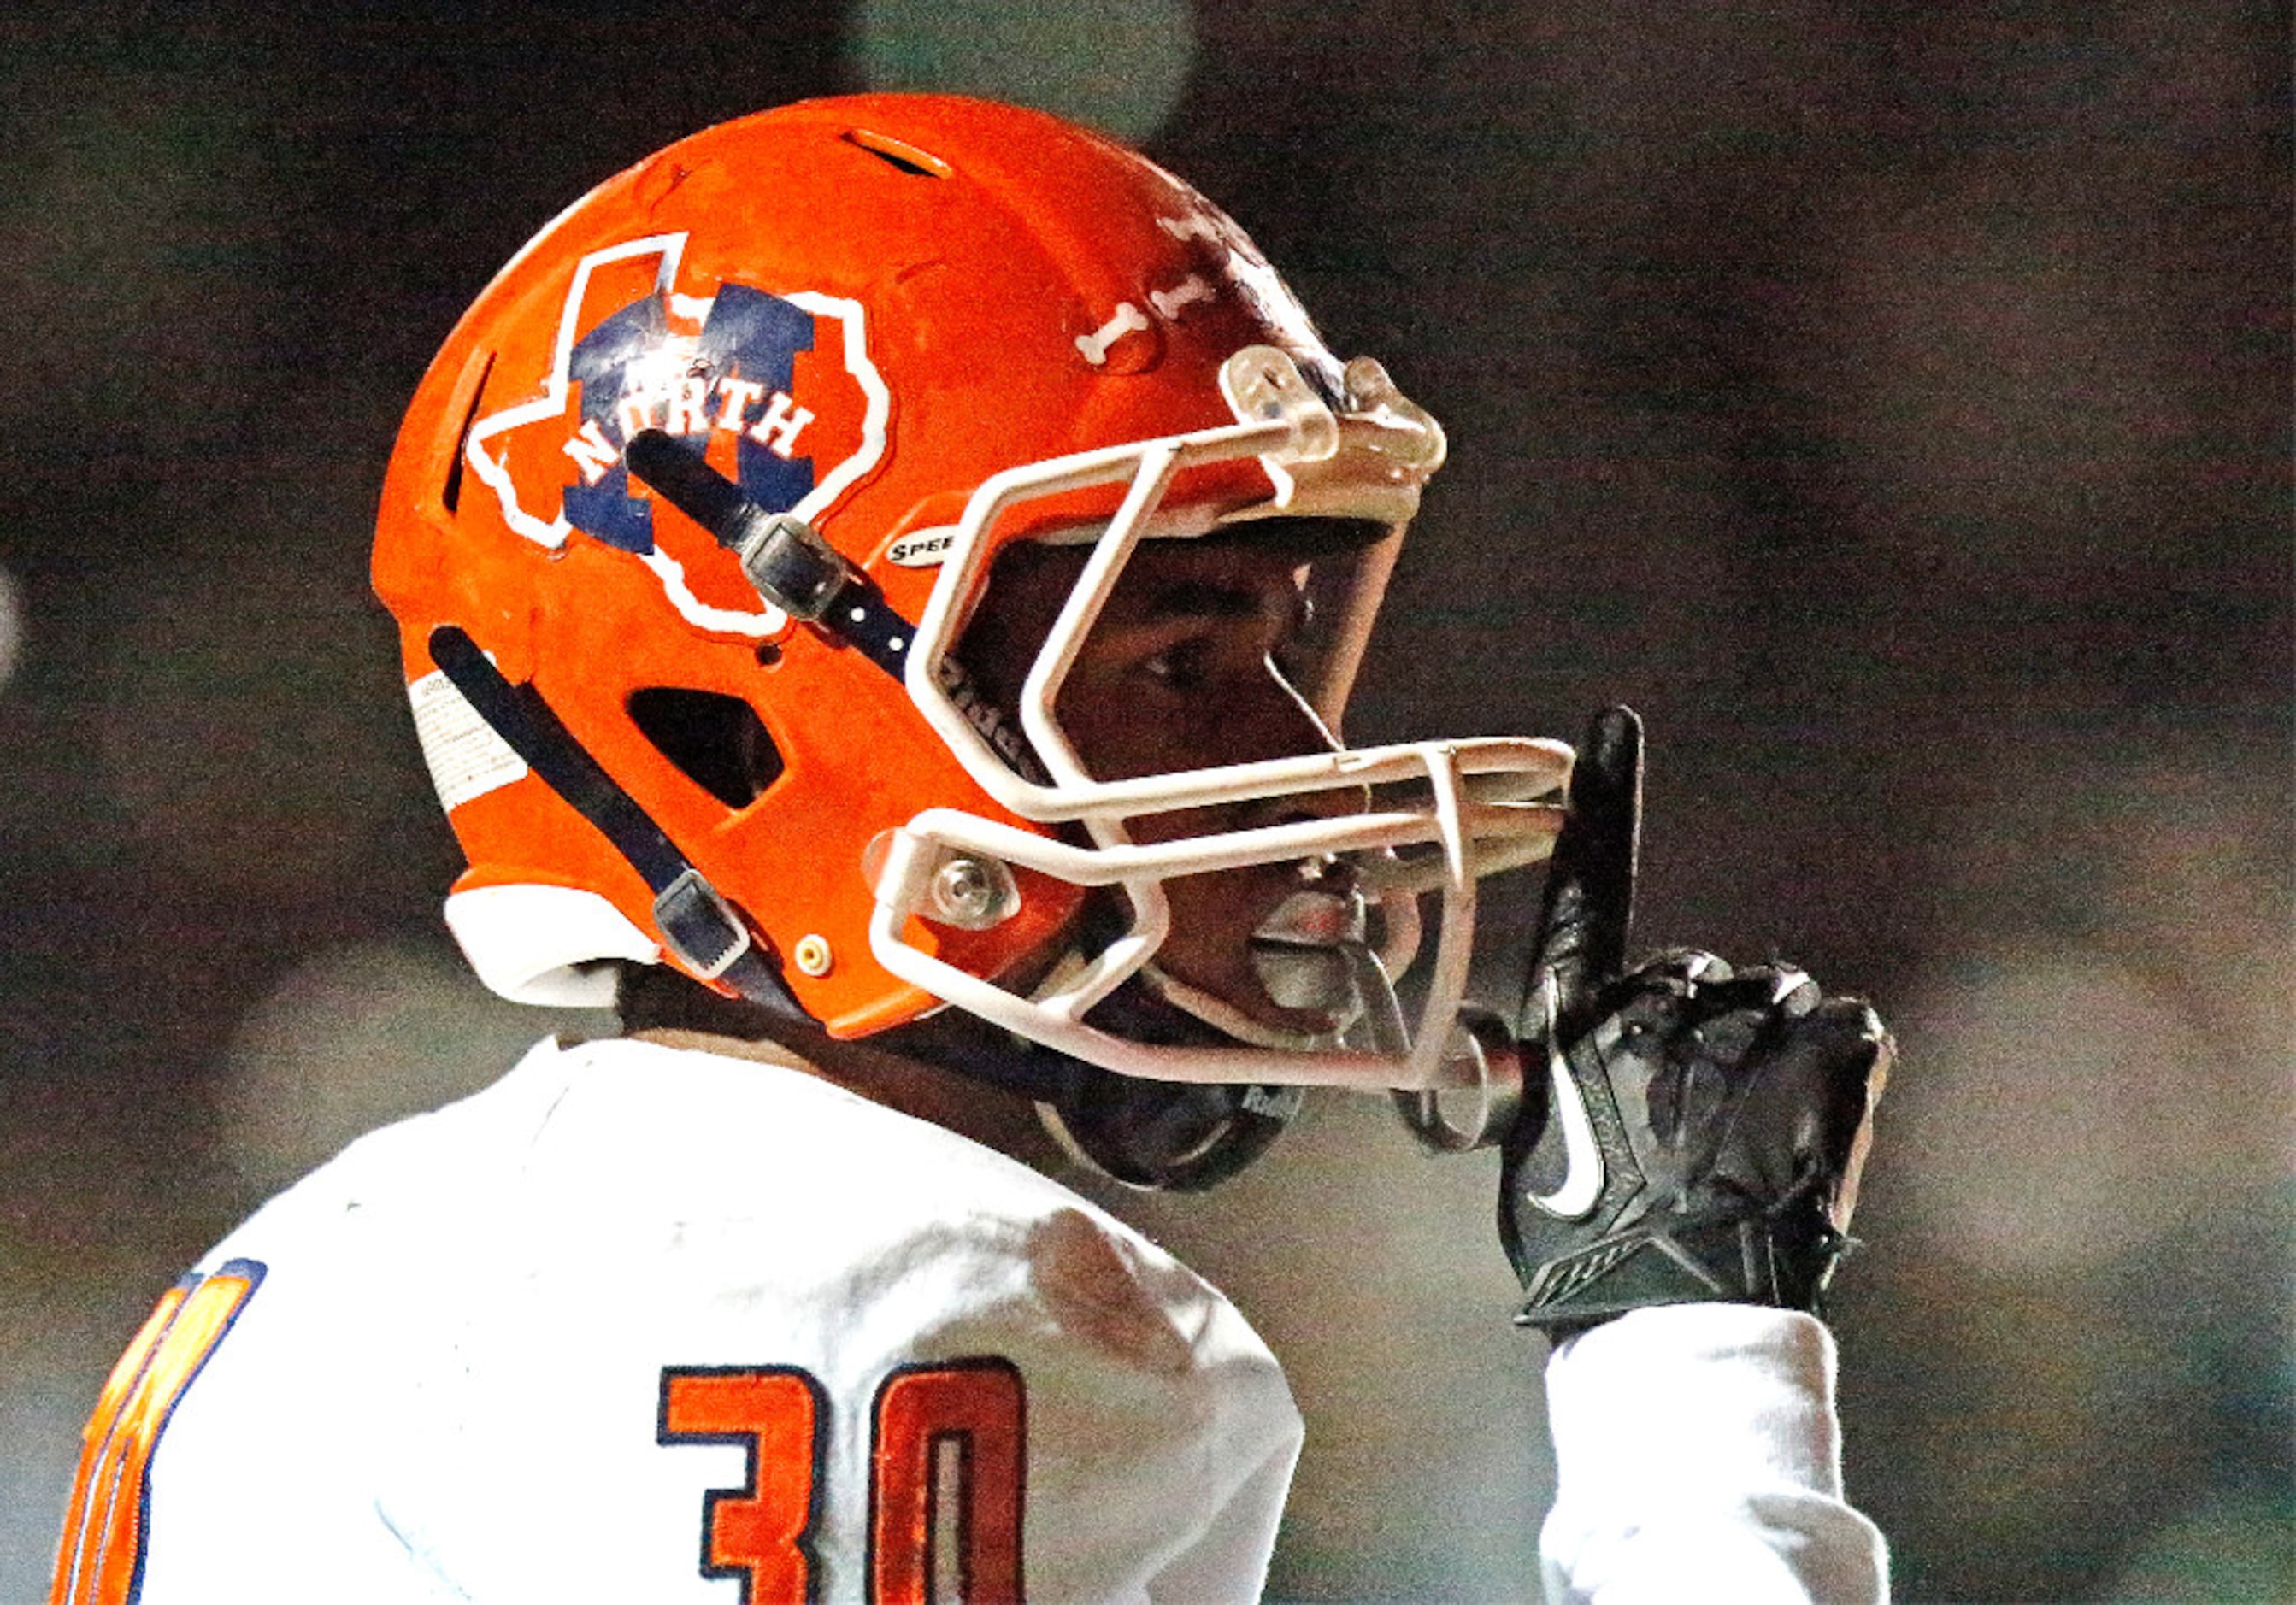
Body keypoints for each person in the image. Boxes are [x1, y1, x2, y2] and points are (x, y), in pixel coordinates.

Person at [51, 95, 1892, 1602]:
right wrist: (1697, 1388)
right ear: (749, 718)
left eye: (1274, 650)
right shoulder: (886, 1277)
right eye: (1178, 658)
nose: (1291, 759)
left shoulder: (331, 1255)